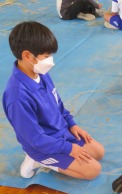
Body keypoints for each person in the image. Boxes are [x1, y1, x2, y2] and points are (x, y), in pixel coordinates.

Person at [2, 21, 105, 180]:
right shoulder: (17, 96)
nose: (50, 61)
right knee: (93, 171)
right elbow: (35, 139)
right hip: (42, 146)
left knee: (99, 152)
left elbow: (58, 105)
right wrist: (69, 149)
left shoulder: (40, 72)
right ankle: (39, 161)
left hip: (61, 133)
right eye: (46, 56)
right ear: (27, 56)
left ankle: (63, 151)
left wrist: (72, 124)